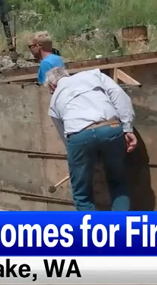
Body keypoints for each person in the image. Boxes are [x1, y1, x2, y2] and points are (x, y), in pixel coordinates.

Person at [46, 67, 136, 212]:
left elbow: (65, 136)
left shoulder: (54, 100)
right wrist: (127, 128)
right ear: (68, 75)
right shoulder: (94, 75)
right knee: (117, 182)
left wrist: (81, 158)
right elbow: (120, 96)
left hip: (79, 136)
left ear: (52, 86)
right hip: (110, 128)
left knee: (82, 194)